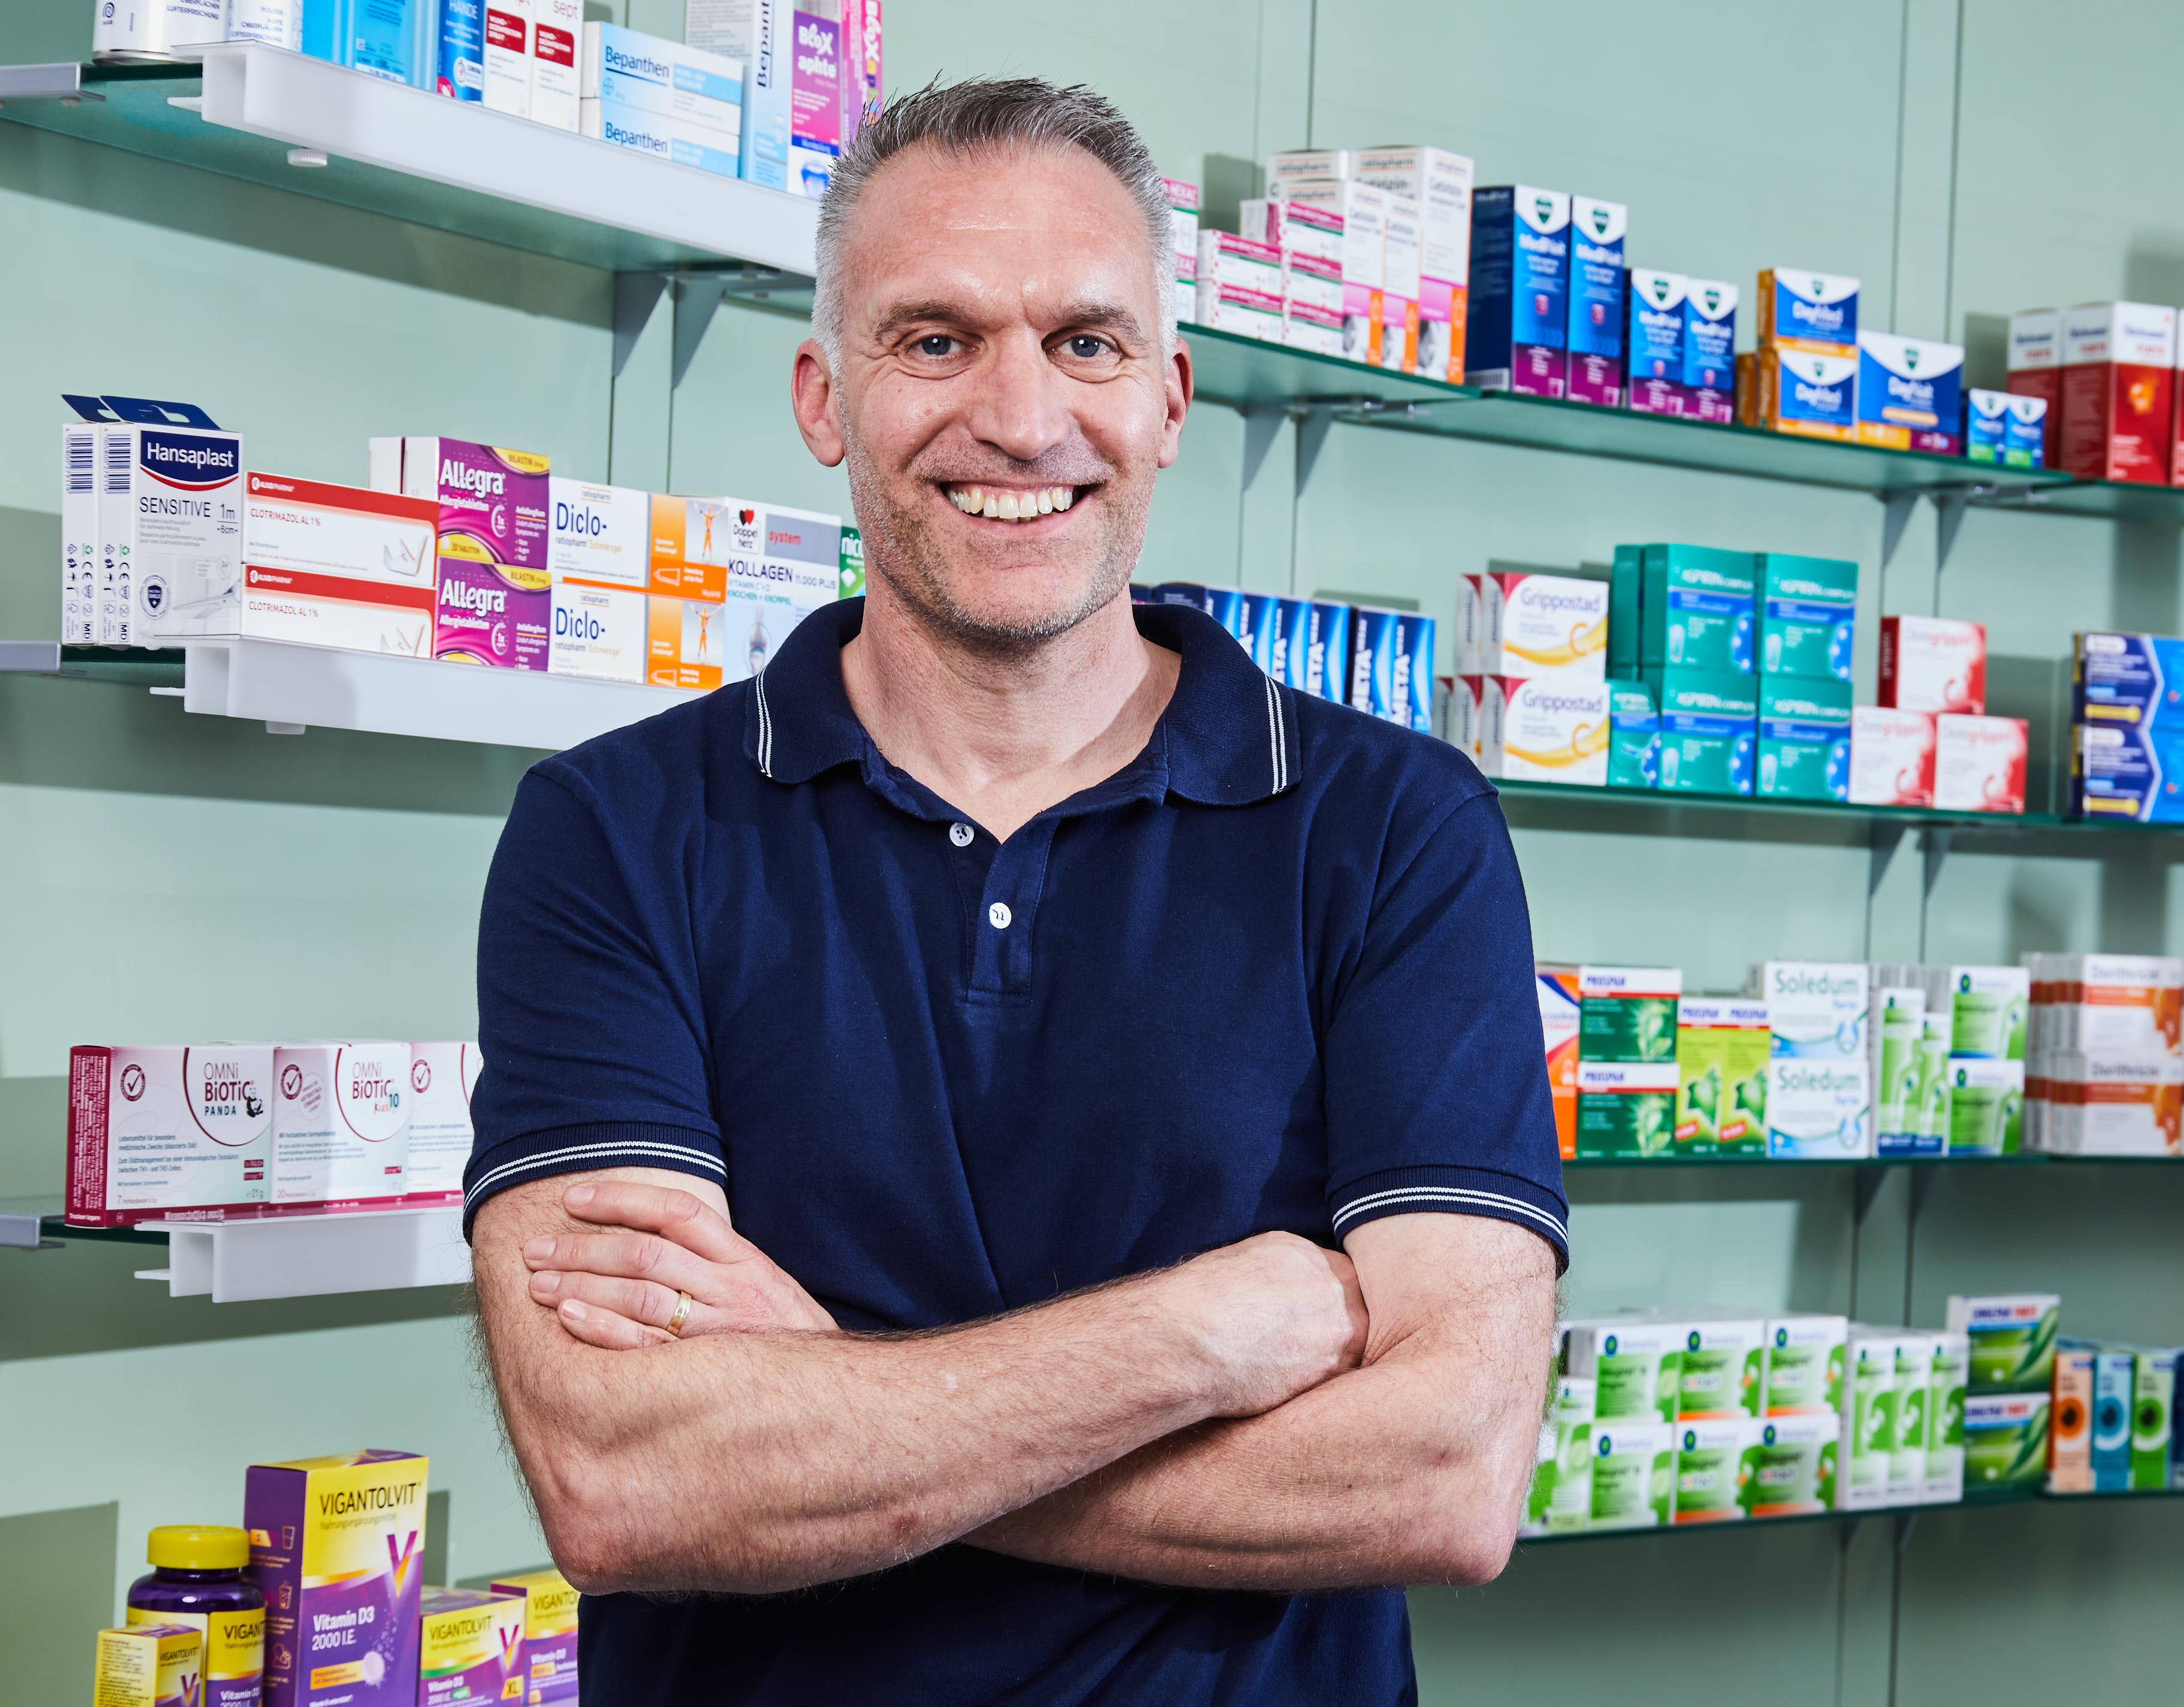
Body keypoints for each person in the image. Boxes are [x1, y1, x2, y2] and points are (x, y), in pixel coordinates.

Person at [464, 75, 1566, 1706]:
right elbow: (627, 1483)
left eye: (1087, 342)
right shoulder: (617, 831)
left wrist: (830, 1402)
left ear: (1170, 396)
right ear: (822, 395)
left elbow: (1445, 1477)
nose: (1022, 418)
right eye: (932, 339)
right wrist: (1197, 1338)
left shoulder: (1394, 830)